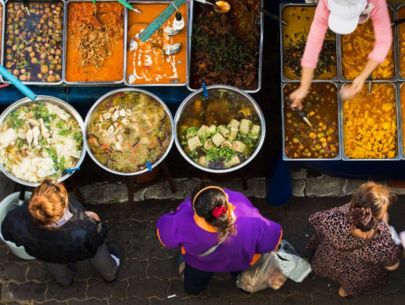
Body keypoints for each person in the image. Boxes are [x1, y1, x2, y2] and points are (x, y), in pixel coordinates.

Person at [156, 185, 283, 295]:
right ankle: (244, 287)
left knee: (194, 284)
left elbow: (165, 239)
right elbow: (273, 241)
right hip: (238, 262)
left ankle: (194, 291)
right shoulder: (247, 213)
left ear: (196, 212)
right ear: (226, 200)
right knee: (242, 276)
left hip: (200, 263)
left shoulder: (183, 217)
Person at [1, 180, 121, 287]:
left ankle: (65, 281)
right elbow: (99, 233)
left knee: (54, 265)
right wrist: (93, 217)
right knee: (97, 249)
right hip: (76, 249)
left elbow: (7, 234)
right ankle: (109, 275)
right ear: (62, 206)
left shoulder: (15, 219)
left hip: (45, 254)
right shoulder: (83, 231)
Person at [290, 0, 392, 110]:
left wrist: (362, 77)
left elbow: (384, 41)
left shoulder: (376, 2)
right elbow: (313, 43)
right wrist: (304, 87)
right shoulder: (325, 3)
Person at [306, 182, 401, 297]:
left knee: (327, 265)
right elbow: (392, 266)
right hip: (356, 272)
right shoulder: (381, 242)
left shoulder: (335, 217)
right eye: (383, 213)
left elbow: (314, 218)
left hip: (328, 258)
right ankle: (343, 291)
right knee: (353, 282)